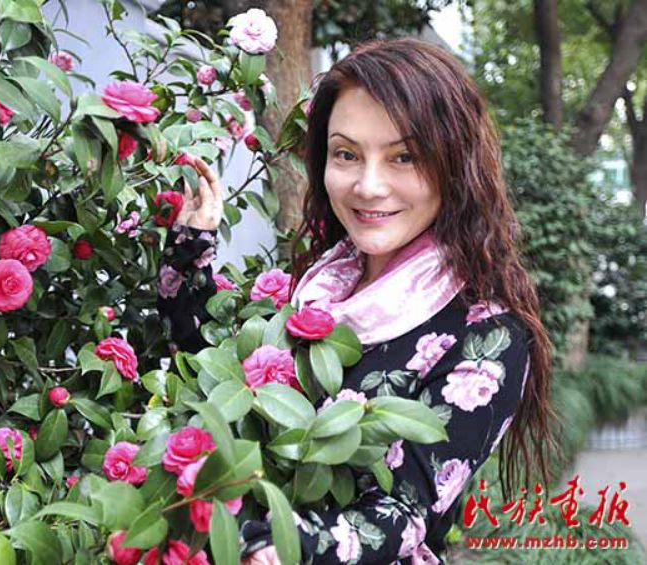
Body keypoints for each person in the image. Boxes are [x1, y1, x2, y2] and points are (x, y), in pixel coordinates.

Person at [156, 37, 554, 564]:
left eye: (405, 157)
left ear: (455, 165)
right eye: (346, 154)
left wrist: (269, 545)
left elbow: (399, 513)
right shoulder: (322, 284)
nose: (368, 186)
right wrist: (191, 245)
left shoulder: (487, 336)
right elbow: (214, 378)